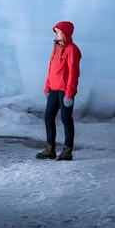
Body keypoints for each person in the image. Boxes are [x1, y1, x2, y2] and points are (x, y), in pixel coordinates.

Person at [36, 21, 82, 161]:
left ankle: (67, 150)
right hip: (54, 89)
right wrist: (47, 87)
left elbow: (73, 73)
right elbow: (51, 70)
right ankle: (50, 148)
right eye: (56, 32)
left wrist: (69, 93)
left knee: (65, 119)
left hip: (65, 90)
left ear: (66, 34)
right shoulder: (56, 48)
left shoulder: (72, 50)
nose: (57, 34)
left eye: (59, 32)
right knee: (48, 117)